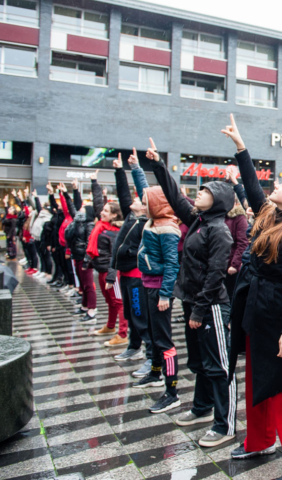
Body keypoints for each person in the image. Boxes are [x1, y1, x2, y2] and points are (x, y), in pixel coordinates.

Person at [222, 116, 282, 480]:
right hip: (256, 312)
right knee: (257, 380)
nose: (274, 185)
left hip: (279, 318)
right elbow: (251, 187)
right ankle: (259, 439)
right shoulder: (271, 215)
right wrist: (241, 147)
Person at [147, 138, 237, 448]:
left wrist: (199, 310)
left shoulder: (219, 230)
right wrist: (158, 165)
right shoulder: (198, 221)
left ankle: (224, 425)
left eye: (205, 192)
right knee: (199, 362)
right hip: (193, 302)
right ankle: (201, 408)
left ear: (218, 201)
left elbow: (215, 275)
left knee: (218, 366)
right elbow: (174, 196)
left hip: (210, 306)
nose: (198, 194)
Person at [131, 166, 182, 415]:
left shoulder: (168, 229)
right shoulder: (154, 220)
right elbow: (147, 192)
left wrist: (164, 294)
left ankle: (172, 393)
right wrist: (136, 169)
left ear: (156, 204)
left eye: (145, 201)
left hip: (158, 290)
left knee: (164, 340)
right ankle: (154, 373)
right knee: (152, 334)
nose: (141, 203)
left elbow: (173, 265)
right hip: (148, 285)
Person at [107, 150, 152, 364]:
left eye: (140, 199)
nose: (134, 199)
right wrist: (119, 170)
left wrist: (136, 169)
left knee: (139, 315)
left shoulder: (146, 221)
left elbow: (142, 192)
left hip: (136, 275)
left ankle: (148, 354)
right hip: (125, 274)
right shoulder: (131, 216)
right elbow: (123, 194)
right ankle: (133, 346)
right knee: (130, 314)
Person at [85, 175, 128, 347]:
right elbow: (97, 206)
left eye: (106, 211)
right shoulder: (101, 226)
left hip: (112, 273)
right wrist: (95, 183)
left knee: (119, 302)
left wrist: (111, 276)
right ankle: (110, 327)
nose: (102, 212)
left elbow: (115, 257)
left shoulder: (114, 232)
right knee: (110, 301)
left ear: (114, 215)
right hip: (102, 270)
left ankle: (122, 334)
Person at [63, 180, 97, 321]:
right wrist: (67, 193)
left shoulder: (88, 224)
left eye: (83, 208)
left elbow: (90, 242)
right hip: (77, 256)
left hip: (84, 258)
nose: (80, 209)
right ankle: (84, 306)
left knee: (88, 284)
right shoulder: (77, 221)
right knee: (82, 283)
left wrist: (87, 260)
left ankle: (92, 309)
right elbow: (73, 208)